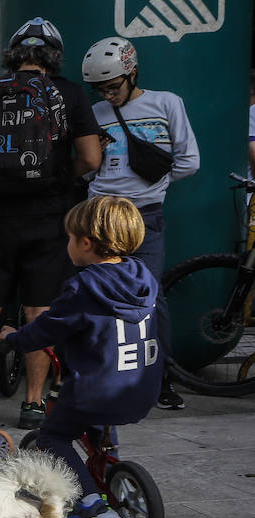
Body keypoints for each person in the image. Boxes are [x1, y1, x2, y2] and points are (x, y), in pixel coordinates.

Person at [0, 17, 102, 430]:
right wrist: (61, 175)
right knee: (40, 309)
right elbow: (91, 159)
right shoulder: (70, 94)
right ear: (53, 56)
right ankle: (34, 402)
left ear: (14, 55)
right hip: (49, 216)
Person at [0, 195, 160, 518]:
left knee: (54, 436)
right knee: (100, 415)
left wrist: (14, 339)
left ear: (86, 243)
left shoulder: (83, 287)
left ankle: (90, 505)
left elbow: (49, 328)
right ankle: (107, 458)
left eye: (70, 239)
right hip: (141, 386)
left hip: (94, 390)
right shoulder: (143, 278)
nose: (67, 245)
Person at [82, 35, 199, 411]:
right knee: (99, 295)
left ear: (132, 73)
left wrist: (156, 185)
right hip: (100, 211)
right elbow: (87, 166)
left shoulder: (166, 103)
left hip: (144, 213)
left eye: (112, 86)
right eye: (99, 89)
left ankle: (158, 378)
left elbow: (188, 159)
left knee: (148, 296)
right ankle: (102, 374)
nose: (107, 95)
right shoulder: (95, 113)